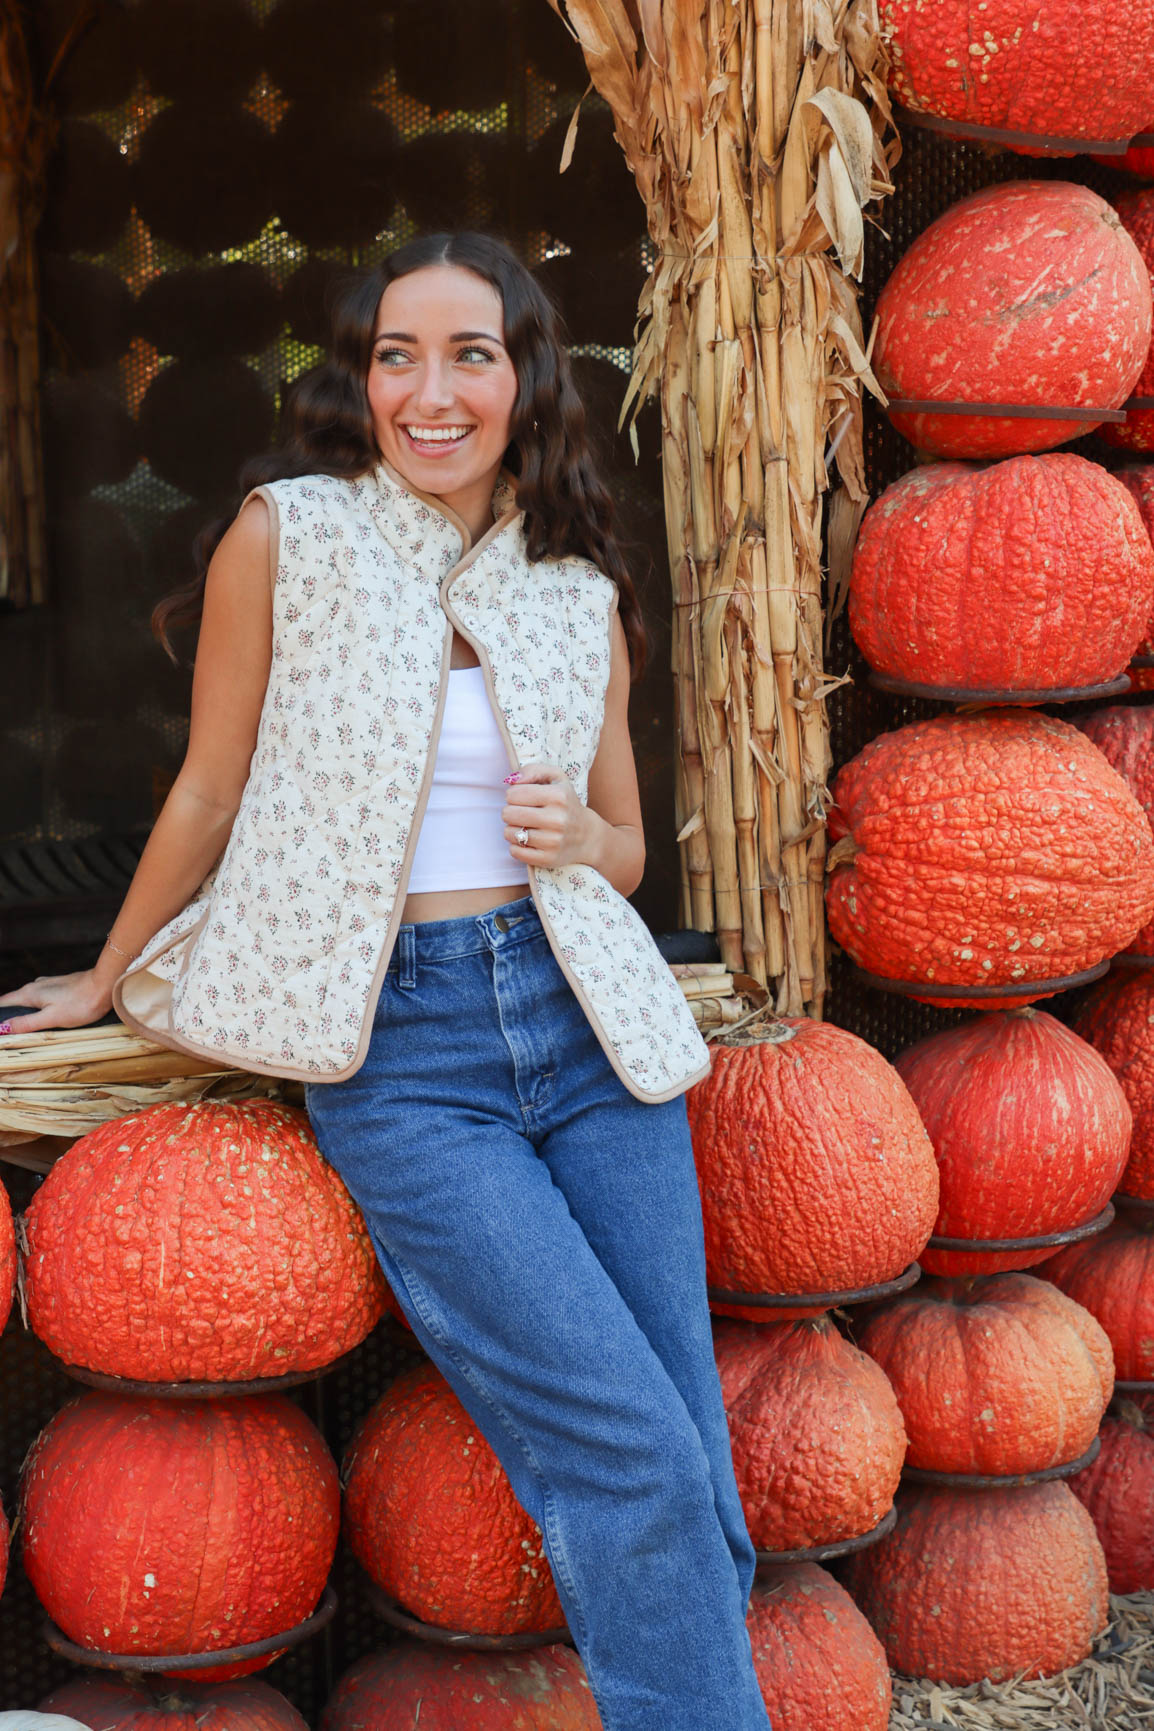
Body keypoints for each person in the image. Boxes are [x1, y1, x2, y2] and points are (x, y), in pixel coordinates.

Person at [0, 233, 771, 1731]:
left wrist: (582, 834)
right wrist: (101, 977)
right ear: (359, 379)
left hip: (592, 1032)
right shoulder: (286, 535)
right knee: (625, 1447)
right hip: (410, 1060)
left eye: (469, 354)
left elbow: (619, 852)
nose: (431, 390)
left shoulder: (570, 584)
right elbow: (210, 788)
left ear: (523, 377)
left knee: (685, 1442)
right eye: (395, 355)